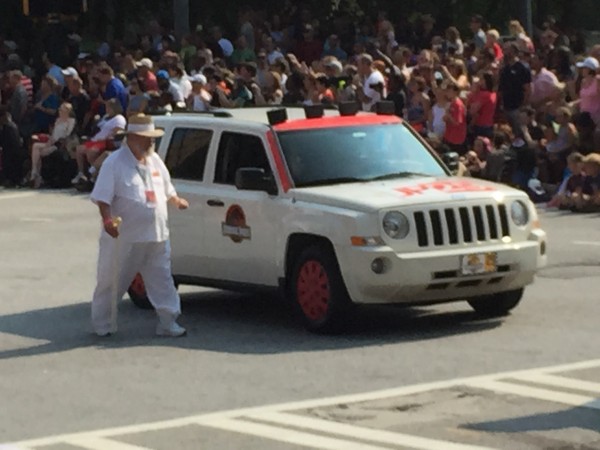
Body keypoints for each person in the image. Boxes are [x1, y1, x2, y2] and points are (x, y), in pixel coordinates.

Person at [89, 114, 190, 337]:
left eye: (152, 138)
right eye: (147, 138)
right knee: (112, 279)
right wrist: (107, 220)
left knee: (162, 278)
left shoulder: (155, 160)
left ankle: (168, 321)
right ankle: (103, 324)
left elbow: (167, 186)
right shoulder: (114, 162)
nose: (151, 142)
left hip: (157, 234)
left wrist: (175, 200)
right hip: (125, 236)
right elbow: (103, 198)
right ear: (132, 137)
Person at [72, 98, 127, 184]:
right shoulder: (105, 117)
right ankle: (81, 173)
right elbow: (98, 128)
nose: (107, 109)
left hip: (106, 141)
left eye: (108, 107)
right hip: (96, 139)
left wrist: (109, 137)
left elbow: (118, 132)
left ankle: (94, 175)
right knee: (79, 149)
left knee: (91, 152)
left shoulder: (119, 118)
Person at [30, 103, 76, 188]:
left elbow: (67, 134)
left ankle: (36, 175)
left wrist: (55, 141)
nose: (60, 111)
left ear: (67, 111)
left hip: (60, 144)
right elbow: (54, 134)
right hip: (53, 142)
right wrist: (49, 141)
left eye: (62, 110)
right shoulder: (58, 120)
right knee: (36, 146)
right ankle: (35, 171)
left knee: (39, 153)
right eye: (59, 110)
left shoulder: (71, 121)